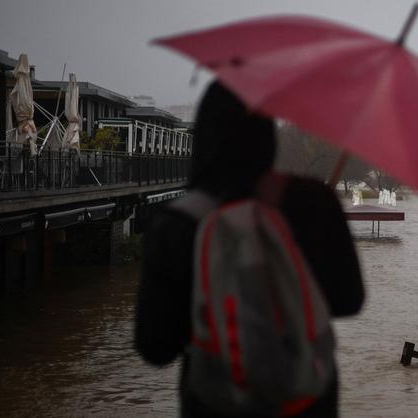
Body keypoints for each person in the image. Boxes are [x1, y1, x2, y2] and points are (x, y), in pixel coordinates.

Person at [135, 81, 365, 418]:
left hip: (215, 403)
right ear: (267, 133)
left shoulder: (177, 221)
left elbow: (155, 347)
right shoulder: (314, 201)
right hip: (306, 400)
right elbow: (350, 300)